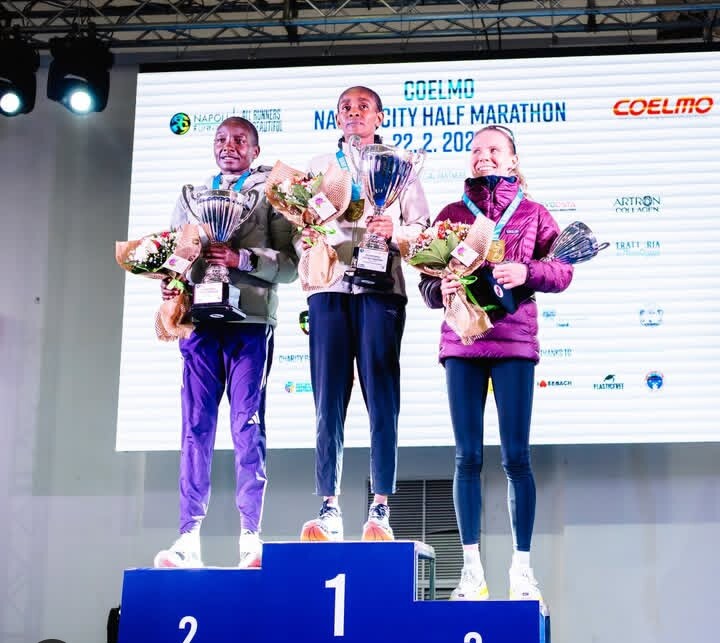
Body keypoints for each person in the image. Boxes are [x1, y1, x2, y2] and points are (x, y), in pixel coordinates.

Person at [418, 126, 573, 604]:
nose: (482, 156)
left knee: (516, 459)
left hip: (514, 343)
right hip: (463, 344)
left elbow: (562, 270)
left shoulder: (533, 213)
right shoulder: (451, 215)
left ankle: (522, 571)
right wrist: (439, 289)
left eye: (493, 149)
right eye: (476, 150)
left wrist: (527, 271)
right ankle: (471, 573)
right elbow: (426, 283)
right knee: (466, 458)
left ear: (512, 160)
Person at [154, 116, 298, 568]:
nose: (228, 146)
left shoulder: (272, 196)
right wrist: (171, 283)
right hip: (201, 323)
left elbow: (291, 266)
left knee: (246, 426)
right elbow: (175, 256)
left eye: (239, 140)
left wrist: (242, 258)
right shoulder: (194, 196)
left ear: (255, 150)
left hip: (250, 323)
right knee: (195, 427)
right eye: (221, 139)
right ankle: (188, 537)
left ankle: (250, 536)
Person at [298, 86, 430, 542]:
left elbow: (422, 229)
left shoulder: (400, 166)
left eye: (363, 107)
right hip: (330, 287)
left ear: (379, 116)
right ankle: (329, 507)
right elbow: (300, 224)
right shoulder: (320, 166)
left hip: (382, 289)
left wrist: (395, 231)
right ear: (337, 117)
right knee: (327, 400)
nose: (354, 113)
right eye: (346, 108)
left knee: (383, 398)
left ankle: (381, 507)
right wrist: (310, 236)